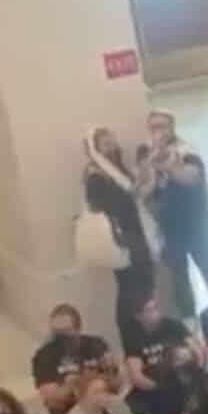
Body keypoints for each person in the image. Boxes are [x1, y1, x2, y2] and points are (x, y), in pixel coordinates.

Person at [141, 109, 208, 317]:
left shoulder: (187, 150)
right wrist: (150, 166)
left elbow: (192, 179)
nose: (158, 132)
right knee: (179, 281)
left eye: (162, 126)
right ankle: (190, 322)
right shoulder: (145, 152)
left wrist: (169, 165)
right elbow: (142, 190)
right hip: (168, 227)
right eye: (153, 127)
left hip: (196, 224)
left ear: (172, 127)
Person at [82, 126, 155, 348]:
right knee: (130, 292)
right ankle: (131, 343)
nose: (112, 146)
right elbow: (100, 206)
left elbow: (135, 196)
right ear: (95, 150)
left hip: (138, 234)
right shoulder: (95, 175)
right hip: (122, 239)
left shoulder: (121, 170)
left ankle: (148, 337)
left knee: (146, 288)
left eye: (112, 140)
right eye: (105, 144)